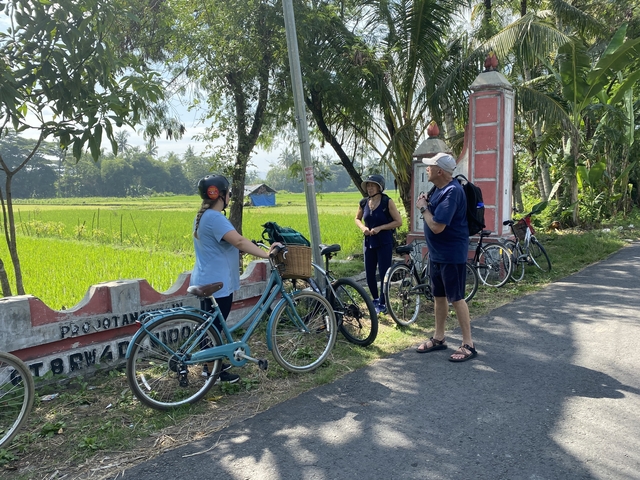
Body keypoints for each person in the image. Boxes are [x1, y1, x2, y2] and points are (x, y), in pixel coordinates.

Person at [191, 174, 280, 382]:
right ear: (220, 195)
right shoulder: (215, 218)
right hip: (216, 282)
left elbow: (227, 244)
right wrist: (266, 254)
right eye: (229, 193)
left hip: (206, 277)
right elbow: (238, 241)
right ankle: (215, 371)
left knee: (210, 327)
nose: (230, 196)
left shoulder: (203, 216)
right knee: (214, 328)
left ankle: (210, 367)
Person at [414, 153, 477, 362]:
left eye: (430, 166)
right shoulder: (439, 189)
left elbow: (437, 226)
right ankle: (439, 338)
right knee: (439, 297)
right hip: (438, 254)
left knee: (456, 298)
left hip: (451, 254)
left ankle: (468, 344)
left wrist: (423, 207)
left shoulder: (452, 192)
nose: (427, 169)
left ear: (440, 170)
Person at [355, 174, 403, 314]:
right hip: (369, 241)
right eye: (368, 185)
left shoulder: (387, 202)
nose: (369, 188)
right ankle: (375, 300)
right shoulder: (364, 203)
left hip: (384, 241)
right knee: (369, 273)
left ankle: (383, 302)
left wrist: (381, 228)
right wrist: (363, 228)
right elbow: (357, 218)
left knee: (384, 273)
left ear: (379, 187)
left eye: (372, 185)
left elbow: (398, 222)